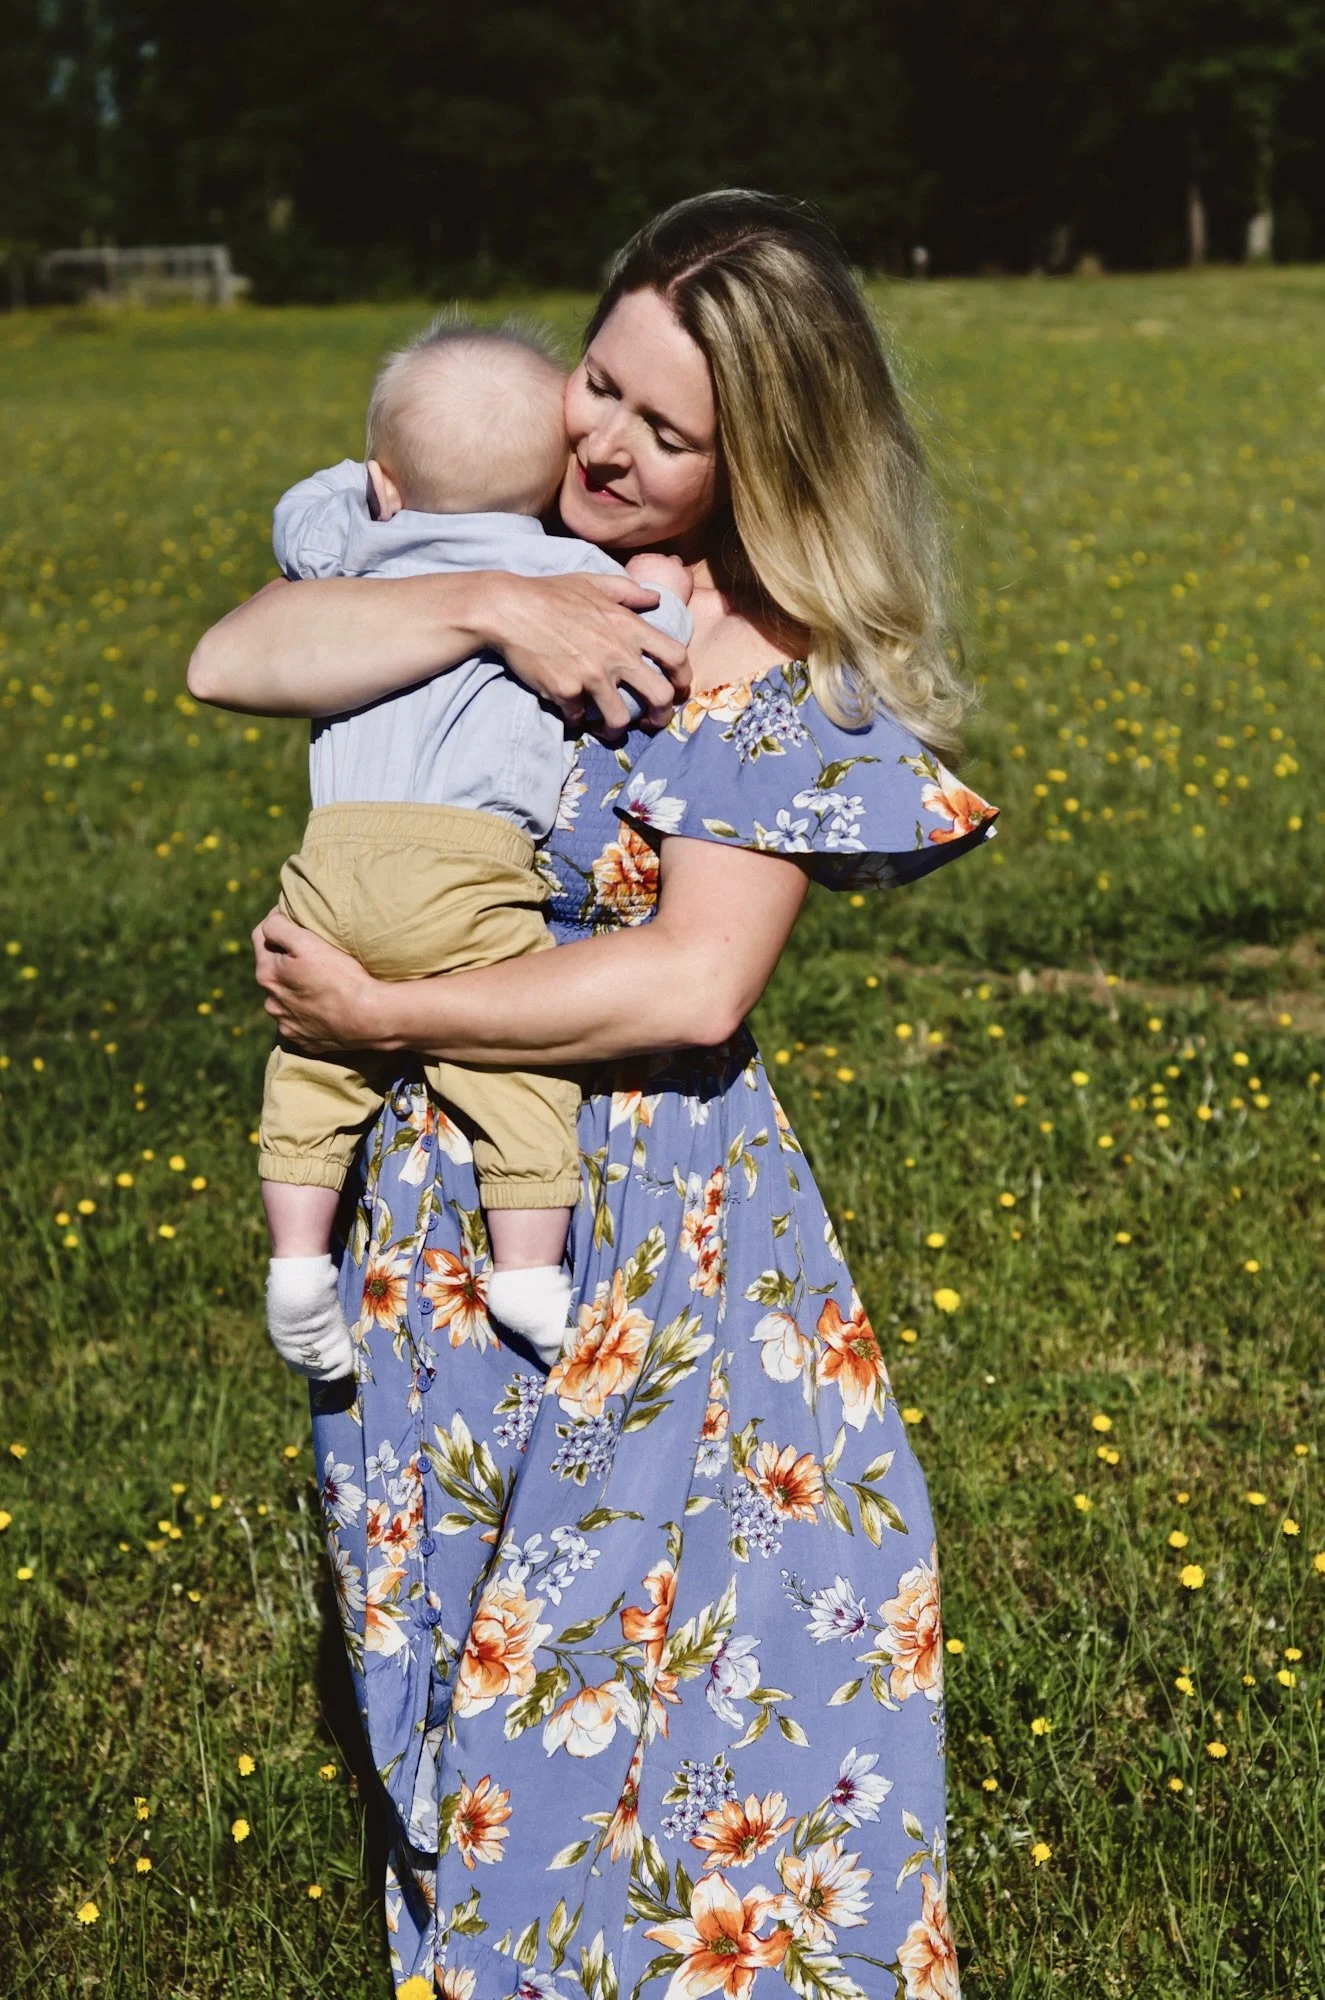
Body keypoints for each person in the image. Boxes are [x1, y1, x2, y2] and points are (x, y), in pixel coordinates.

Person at [189, 188, 998, 2000]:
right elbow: (228, 657)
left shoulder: (764, 659)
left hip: (655, 1231)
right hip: (432, 1224)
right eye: (602, 388)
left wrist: (389, 999)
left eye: (668, 428)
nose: (607, 447)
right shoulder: (493, 544)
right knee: (448, 1638)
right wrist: (493, 600)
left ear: (757, 457)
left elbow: (694, 976)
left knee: (703, 1673)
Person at [256, 320, 691, 1381]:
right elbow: (653, 641)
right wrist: (661, 576)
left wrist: (366, 484)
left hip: (333, 856)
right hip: (466, 865)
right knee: (519, 1078)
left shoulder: (353, 555)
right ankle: (531, 1274)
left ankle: (298, 1263)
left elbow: (299, 518)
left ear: (386, 482)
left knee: (311, 1071)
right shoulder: (569, 575)